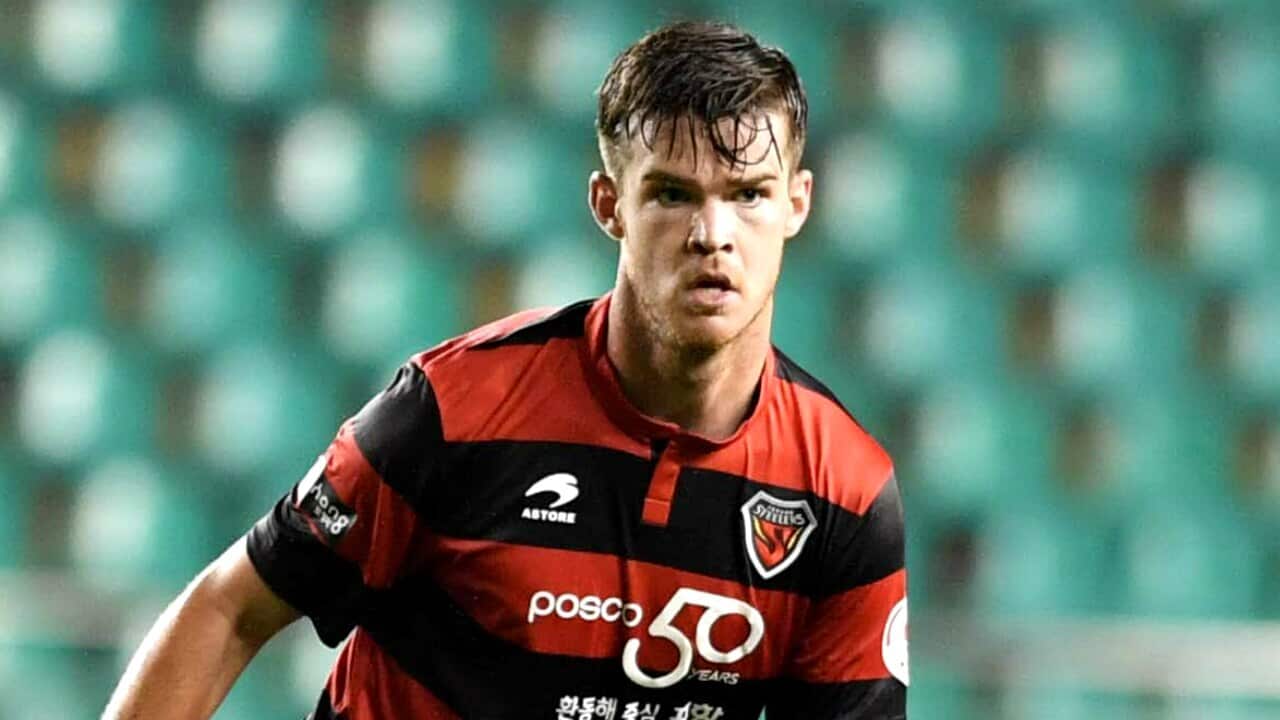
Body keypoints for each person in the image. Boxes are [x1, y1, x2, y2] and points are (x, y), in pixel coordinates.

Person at [104, 20, 908, 720]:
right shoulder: (454, 410)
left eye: (749, 194)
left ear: (797, 203)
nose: (712, 234)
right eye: (671, 194)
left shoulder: (843, 492)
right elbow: (231, 609)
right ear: (609, 205)